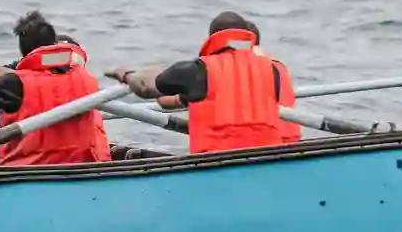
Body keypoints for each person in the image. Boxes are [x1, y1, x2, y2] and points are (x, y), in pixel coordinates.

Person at [112, 13, 300, 154]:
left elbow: (144, 88)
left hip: (215, 163)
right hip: (268, 159)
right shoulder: (273, 70)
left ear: (212, 39)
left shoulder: (198, 71)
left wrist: (127, 75)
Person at [0, 11, 110, 166]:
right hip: (78, 169)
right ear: (54, 44)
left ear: (22, 50)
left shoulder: (13, 84)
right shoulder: (83, 77)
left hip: (25, 173)